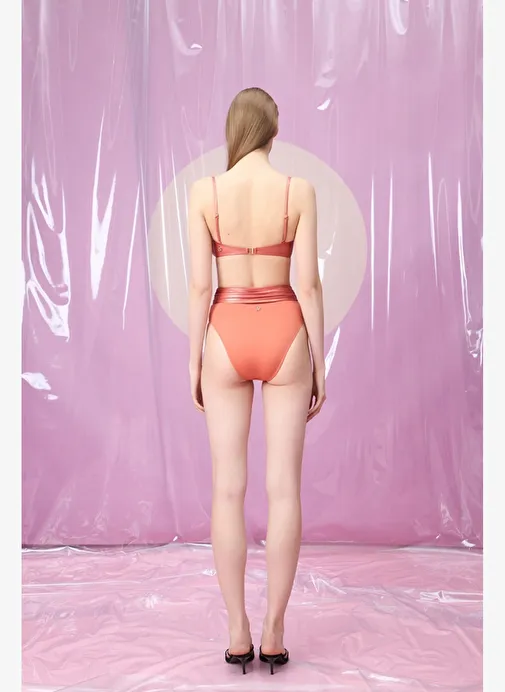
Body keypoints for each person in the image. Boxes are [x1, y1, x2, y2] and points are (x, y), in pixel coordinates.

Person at [187, 87, 325, 674]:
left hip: (226, 330)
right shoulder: (299, 190)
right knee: (283, 488)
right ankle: (274, 632)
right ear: (274, 130)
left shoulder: (205, 192)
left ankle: (237, 630)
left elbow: (200, 286)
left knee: (227, 489)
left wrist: (194, 361)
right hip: (285, 330)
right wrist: (320, 360)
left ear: (233, 130)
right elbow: (309, 283)